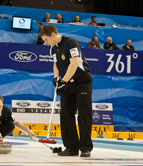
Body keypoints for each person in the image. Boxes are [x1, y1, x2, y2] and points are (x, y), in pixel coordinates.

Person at [39, 24, 93, 157]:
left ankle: (85, 147)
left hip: (82, 81)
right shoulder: (52, 49)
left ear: (53, 34)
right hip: (67, 83)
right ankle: (71, 148)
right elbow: (56, 64)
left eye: (46, 40)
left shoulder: (71, 42)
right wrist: (56, 78)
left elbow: (74, 64)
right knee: (65, 114)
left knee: (84, 113)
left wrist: (63, 81)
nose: (45, 43)